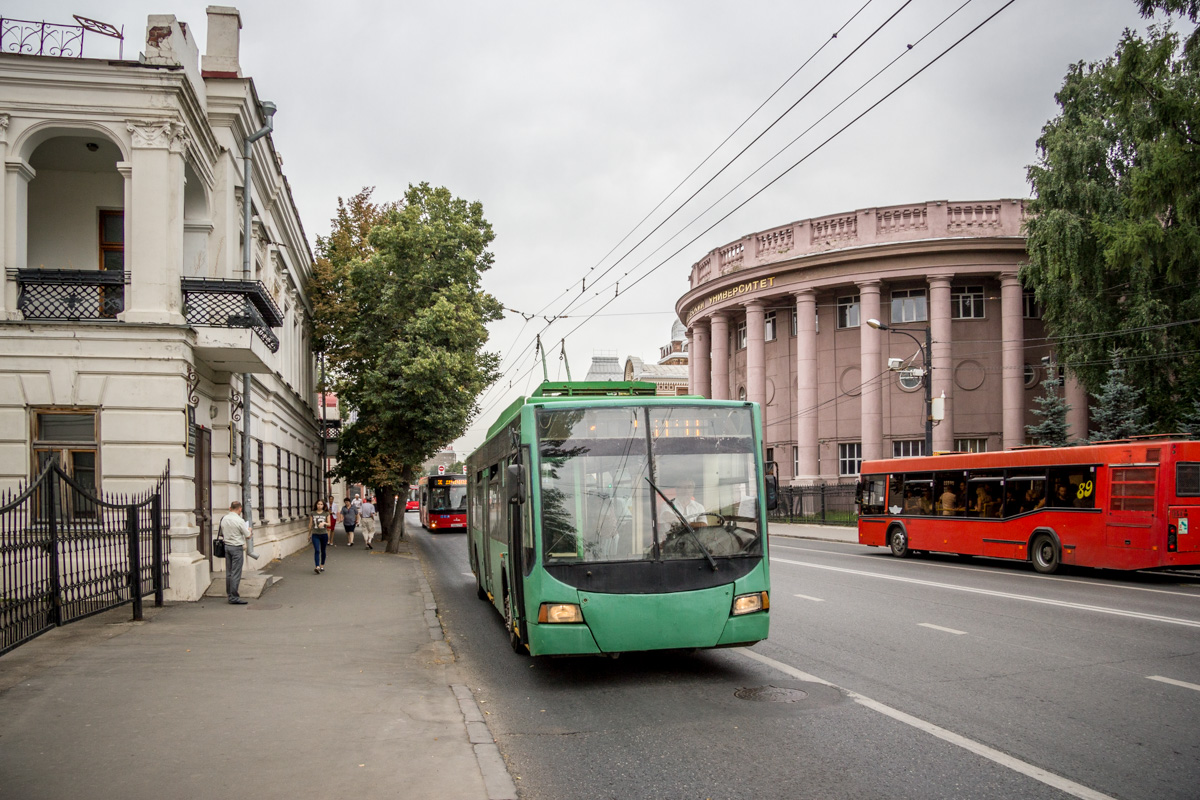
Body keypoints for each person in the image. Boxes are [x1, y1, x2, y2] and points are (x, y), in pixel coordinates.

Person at [218, 501, 251, 604]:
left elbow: (222, 532)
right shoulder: (239, 520)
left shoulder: (224, 519)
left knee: (229, 572)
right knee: (236, 572)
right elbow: (248, 535)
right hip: (236, 547)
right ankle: (234, 597)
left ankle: (229, 594)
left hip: (227, 546)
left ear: (230, 508)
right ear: (240, 509)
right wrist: (249, 529)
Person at [310, 499, 330, 573]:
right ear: (316, 505)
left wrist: (324, 523)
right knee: (317, 550)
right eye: (318, 504)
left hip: (324, 534)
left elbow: (329, 523)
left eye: (321, 504)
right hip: (315, 534)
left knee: (323, 550)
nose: (319, 505)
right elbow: (310, 524)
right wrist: (309, 534)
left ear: (323, 505)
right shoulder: (313, 513)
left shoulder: (326, 513)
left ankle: (322, 565)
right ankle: (317, 566)